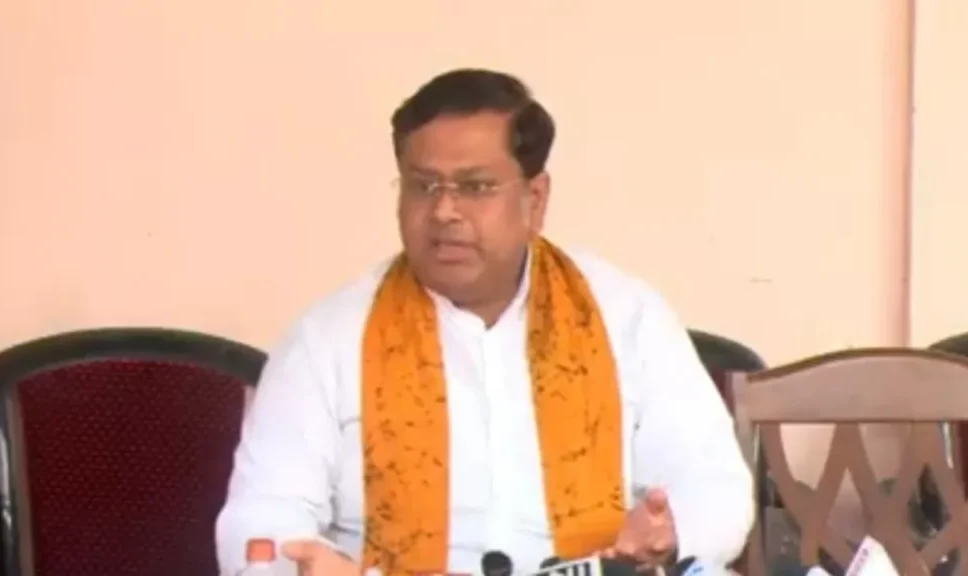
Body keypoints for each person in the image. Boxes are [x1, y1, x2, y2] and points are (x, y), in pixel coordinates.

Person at [216, 68, 754, 576]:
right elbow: (262, 516)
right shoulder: (327, 338)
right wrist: (304, 564)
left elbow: (714, 486)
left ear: (535, 199)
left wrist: (671, 531)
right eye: (424, 186)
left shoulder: (627, 317)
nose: (444, 211)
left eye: (474, 187)